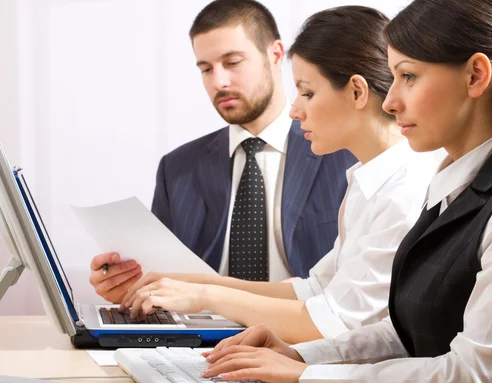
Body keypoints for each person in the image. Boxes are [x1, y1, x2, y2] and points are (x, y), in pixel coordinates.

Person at [199, 0, 492, 383]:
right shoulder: (452, 180)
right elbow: (410, 329)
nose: (390, 101)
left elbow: (471, 380)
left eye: (408, 77)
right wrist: (300, 357)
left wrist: (304, 377)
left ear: (475, 75)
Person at [119, 6, 437, 344]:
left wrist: (205, 297)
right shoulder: (367, 181)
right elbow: (313, 290)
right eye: (206, 68)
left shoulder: (405, 191)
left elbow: (329, 322)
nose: (296, 109)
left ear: (357, 92)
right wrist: (181, 283)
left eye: (307, 92)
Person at [87, 0, 357, 304]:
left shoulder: (344, 153)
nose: (219, 82)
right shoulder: (176, 169)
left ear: (275, 54)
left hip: (302, 336)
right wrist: (130, 283)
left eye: (232, 62)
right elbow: (160, 277)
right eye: (206, 69)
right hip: (202, 339)